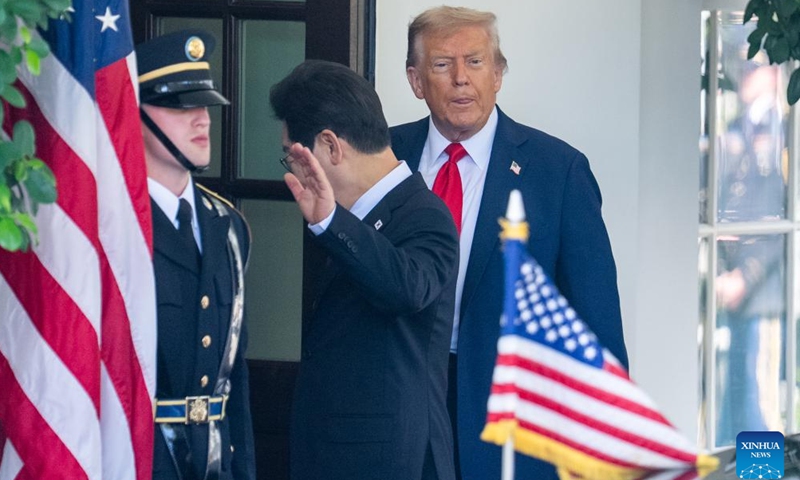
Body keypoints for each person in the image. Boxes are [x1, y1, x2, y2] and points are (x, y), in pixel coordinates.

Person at [390, 6, 628, 480]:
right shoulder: (384, 158)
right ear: (416, 81)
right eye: (442, 65)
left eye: (475, 62)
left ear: (498, 74)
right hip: (401, 415)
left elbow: (596, 326)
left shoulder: (557, 172)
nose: (461, 79)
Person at [269, 59, 459, 480]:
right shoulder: (346, 217)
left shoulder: (424, 214)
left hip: (391, 462)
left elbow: (406, 287)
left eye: (291, 156)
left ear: (331, 146)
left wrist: (331, 222)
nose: (293, 172)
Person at [136, 30, 255, 480]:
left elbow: (235, 376)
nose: (201, 119)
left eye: (203, 104)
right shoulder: (114, 226)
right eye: (180, 105)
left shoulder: (228, 227)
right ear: (135, 114)